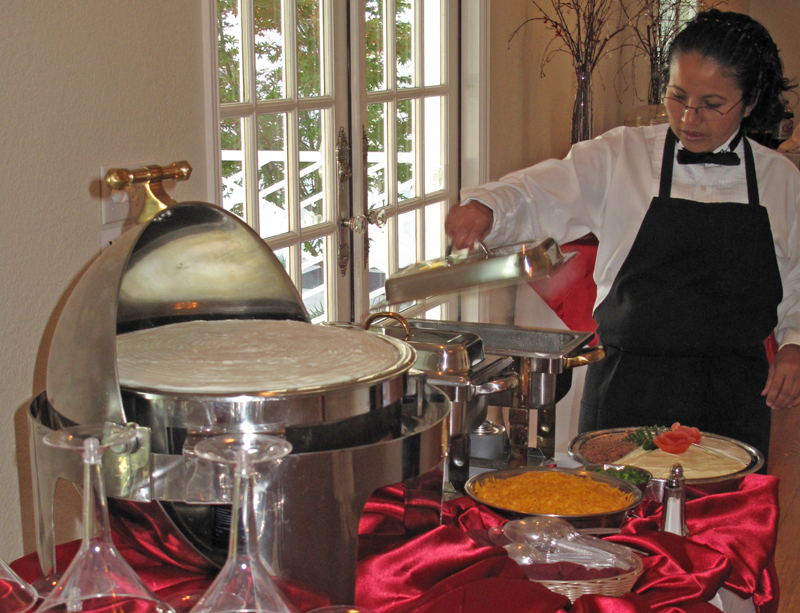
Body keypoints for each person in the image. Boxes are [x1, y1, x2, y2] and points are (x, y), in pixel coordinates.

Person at [444, 9, 800, 466]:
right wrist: (489, 208)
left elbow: (795, 277)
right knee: (618, 525)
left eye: (712, 104)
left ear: (750, 102)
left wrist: (792, 345)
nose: (689, 117)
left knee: (719, 529)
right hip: (627, 385)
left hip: (731, 390)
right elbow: (543, 190)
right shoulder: (622, 155)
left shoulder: (779, 179)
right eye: (677, 96)